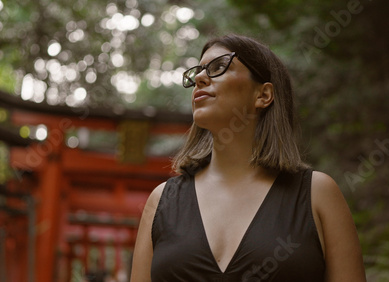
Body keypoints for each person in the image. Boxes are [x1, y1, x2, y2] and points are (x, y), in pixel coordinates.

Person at [131, 34, 366, 281]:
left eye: (219, 67)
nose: (200, 78)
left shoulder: (318, 194)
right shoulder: (161, 201)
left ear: (263, 95)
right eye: (197, 72)